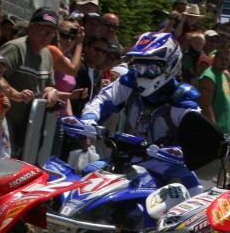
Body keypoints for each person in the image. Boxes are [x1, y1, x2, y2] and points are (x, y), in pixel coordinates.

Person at [62, 31, 207, 193]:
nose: (142, 73)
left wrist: (182, 151)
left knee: (193, 189)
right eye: (138, 66)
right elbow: (102, 101)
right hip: (130, 157)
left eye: (150, 67)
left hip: (168, 165)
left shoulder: (184, 100)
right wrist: (88, 120)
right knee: (88, 174)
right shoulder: (128, 83)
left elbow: (197, 139)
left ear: (170, 66)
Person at [0, 6, 59, 155]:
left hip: (30, 124)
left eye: (50, 33)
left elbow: (49, 85)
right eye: (42, 31)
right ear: (31, 28)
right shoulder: (16, 48)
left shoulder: (47, 54)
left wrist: (51, 92)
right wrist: (15, 94)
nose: (46, 36)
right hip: (6, 119)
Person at [198, 48, 230, 134]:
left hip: (226, 129)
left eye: (227, 60)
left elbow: (228, 95)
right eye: (222, 58)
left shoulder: (224, 75)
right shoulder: (209, 77)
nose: (224, 62)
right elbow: (205, 106)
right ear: (215, 58)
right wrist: (214, 130)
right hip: (216, 130)